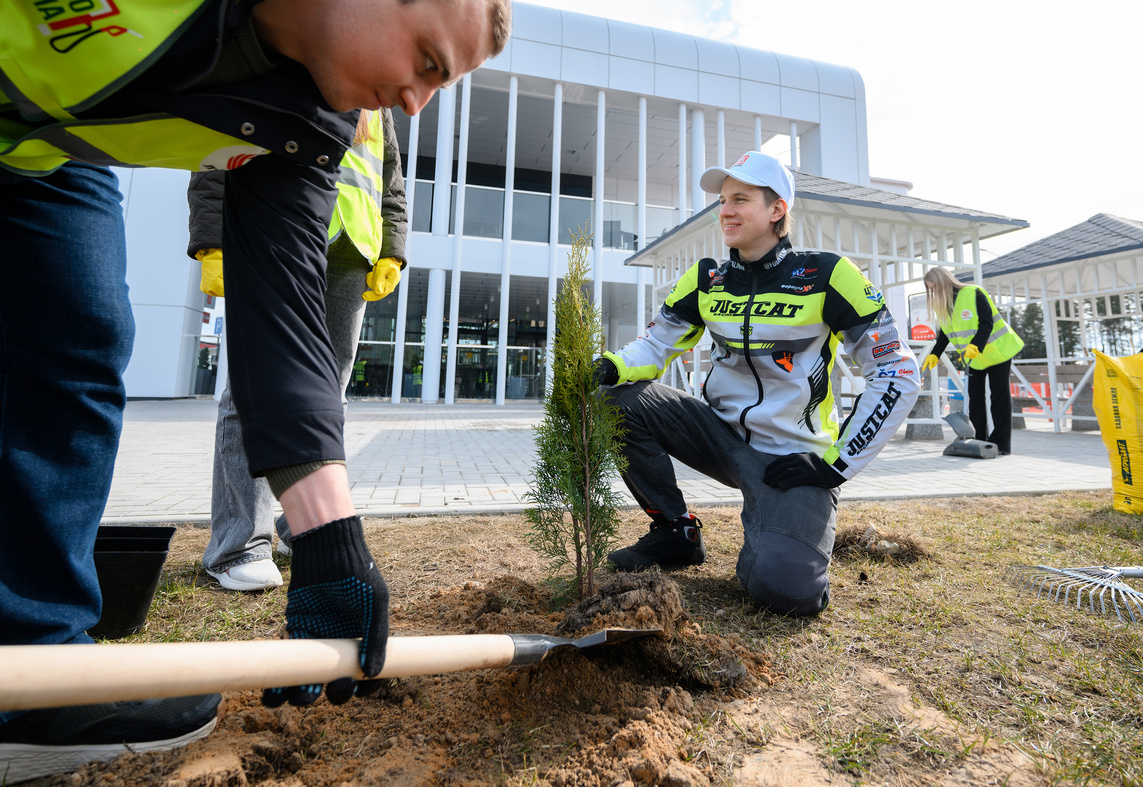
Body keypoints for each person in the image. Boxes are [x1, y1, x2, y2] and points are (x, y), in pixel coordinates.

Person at [0, 0, 509, 782]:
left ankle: (31, 669)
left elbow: (283, 313)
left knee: (79, 334)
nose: (416, 103)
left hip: (42, 158)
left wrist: (329, 542)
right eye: (428, 63)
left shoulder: (308, 117)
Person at [592, 151, 920, 617]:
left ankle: (772, 541)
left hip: (793, 459)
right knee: (615, 400)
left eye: (740, 199)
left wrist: (835, 465)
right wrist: (610, 366)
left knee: (787, 591)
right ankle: (675, 532)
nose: (724, 210)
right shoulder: (707, 279)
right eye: (723, 200)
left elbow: (897, 372)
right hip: (719, 437)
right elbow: (655, 346)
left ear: (777, 210)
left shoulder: (829, 275)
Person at [189, 108, 408, 592]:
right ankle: (238, 544)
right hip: (279, 228)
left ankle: (305, 525)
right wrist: (212, 237)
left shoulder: (381, 96)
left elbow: (389, 172)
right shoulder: (291, 56)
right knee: (255, 387)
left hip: (353, 242)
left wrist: (393, 245)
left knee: (329, 395)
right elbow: (219, 135)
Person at [921, 267, 1024, 455]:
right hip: (973, 357)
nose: (933, 292)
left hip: (997, 351)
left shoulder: (973, 293)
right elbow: (944, 334)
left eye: (934, 287)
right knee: (975, 399)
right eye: (931, 289)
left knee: (998, 397)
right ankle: (979, 440)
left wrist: (975, 345)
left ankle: (1001, 445)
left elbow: (987, 323)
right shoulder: (942, 305)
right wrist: (935, 353)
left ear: (943, 283)